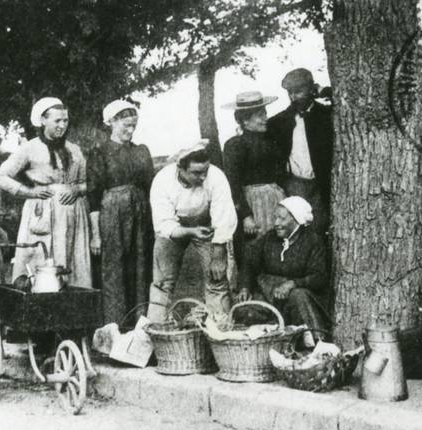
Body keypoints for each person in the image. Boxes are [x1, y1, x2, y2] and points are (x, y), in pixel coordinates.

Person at [0, 97, 91, 287]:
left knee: (74, 266)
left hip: (74, 215)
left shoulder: (75, 150)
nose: (62, 125)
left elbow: (87, 182)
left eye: (66, 121)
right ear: (43, 120)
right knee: (42, 265)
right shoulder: (30, 148)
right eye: (57, 121)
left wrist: (77, 189)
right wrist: (29, 191)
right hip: (43, 213)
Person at [146, 140, 237, 322]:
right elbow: (165, 226)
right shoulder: (162, 181)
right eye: (196, 173)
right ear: (180, 168)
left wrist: (218, 255)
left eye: (205, 171)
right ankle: (156, 332)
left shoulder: (216, 177)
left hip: (207, 225)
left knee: (217, 279)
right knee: (162, 282)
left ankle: (220, 331)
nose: (203, 177)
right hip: (175, 227)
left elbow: (223, 216)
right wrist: (191, 231)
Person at [87, 100, 154, 328]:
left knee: (140, 266)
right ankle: (113, 329)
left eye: (133, 125)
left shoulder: (141, 151)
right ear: (111, 122)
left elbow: (150, 186)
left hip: (140, 214)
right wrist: (95, 235)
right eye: (125, 125)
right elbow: (93, 197)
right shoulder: (99, 153)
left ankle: (140, 327)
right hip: (111, 215)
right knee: (113, 269)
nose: (130, 130)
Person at [237, 196, 330, 338]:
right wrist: (245, 287)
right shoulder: (270, 238)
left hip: (302, 300)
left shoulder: (313, 241)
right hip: (271, 294)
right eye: (275, 218)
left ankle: (315, 341)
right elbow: (249, 263)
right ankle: (269, 342)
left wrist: (293, 284)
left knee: (298, 296)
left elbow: (319, 277)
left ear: (296, 220)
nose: (276, 223)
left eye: (282, 219)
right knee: (246, 309)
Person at [222, 91, 286, 265]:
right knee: (253, 246)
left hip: (275, 199)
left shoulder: (271, 141)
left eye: (265, 113)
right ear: (244, 120)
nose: (265, 118)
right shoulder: (235, 145)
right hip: (252, 203)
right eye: (259, 115)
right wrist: (246, 216)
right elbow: (232, 183)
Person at [267, 68, 333, 235]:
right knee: (295, 229)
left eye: (298, 91)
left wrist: (322, 91)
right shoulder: (278, 122)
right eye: (290, 92)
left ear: (311, 89)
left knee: (319, 228)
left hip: (321, 184)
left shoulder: (327, 116)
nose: (293, 97)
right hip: (294, 184)